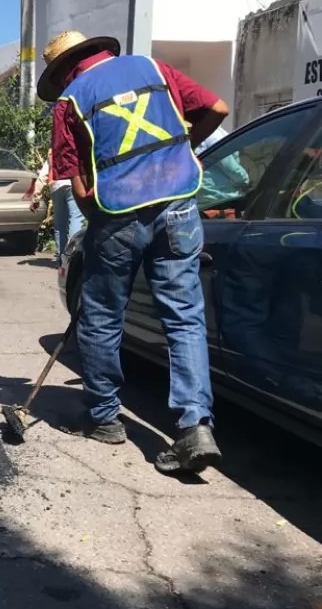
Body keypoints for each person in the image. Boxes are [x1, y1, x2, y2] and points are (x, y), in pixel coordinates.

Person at [39, 30, 229, 473]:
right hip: (178, 205)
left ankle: (104, 416)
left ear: (64, 69)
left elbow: (78, 184)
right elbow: (216, 108)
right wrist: (182, 152)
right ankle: (194, 426)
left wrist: (96, 219)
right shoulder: (153, 68)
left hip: (119, 216)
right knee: (183, 318)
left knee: (103, 315)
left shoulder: (71, 101)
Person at [37, 151, 85, 262]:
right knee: (75, 218)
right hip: (73, 183)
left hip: (56, 185)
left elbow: (43, 175)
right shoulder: (76, 145)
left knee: (60, 223)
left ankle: (60, 255)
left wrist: (36, 196)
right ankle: (72, 255)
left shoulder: (53, 150)